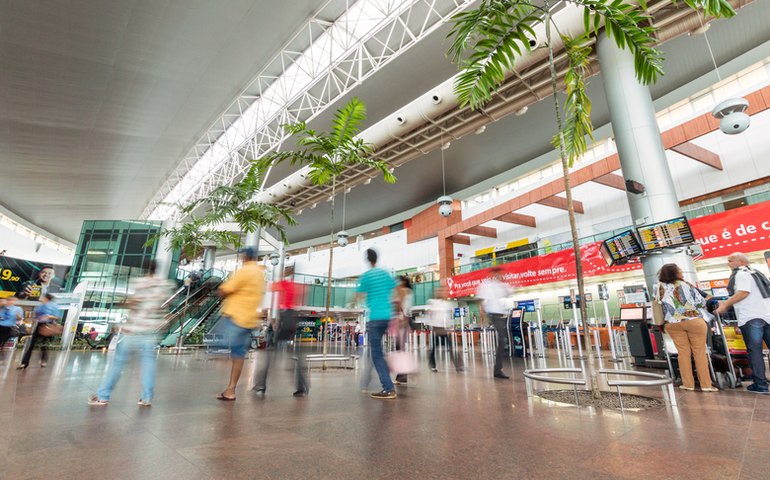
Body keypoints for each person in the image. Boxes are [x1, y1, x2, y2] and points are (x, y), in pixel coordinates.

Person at [88, 261, 174, 406]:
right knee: (148, 364)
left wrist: (123, 305)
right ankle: (146, 397)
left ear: (144, 270)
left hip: (134, 330)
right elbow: (164, 307)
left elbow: (134, 304)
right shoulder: (164, 285)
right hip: (151, 330)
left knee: (118, 363)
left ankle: (103, 396)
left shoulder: (140, 283)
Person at [654, 263, 716, 392]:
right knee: (699, 352)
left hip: (673, 323)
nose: (681, 272)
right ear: (675, 273)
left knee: (683, 353)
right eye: (680, 270)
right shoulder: (686, 285)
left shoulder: (658, 287)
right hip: (693, 321)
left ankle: (688, 384)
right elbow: (701, 302)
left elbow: (660, 306)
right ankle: (706, 385)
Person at [716, 253, 770, 394]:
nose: (728, 263)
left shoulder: (741, 274)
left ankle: (760, 385)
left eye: (730, 260)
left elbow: (743, 292)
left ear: (740, 261)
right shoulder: (757, 273)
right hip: (767, 315)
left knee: (755, 351)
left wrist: (725, 305)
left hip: (751, 317)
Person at [216, 247, 265, 401]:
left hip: (235, 316)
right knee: (238, 354)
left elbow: (226, 289)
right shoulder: (260, 274)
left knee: (216, 344)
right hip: (249, 320)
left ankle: (227, 385)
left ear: (245, 257)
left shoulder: (245, 271)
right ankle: (230, 390)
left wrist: (219, 291)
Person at [253, 277, 308, 397]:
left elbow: (270, 287)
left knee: (272, 354)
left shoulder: (284, 283)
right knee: (294, 355)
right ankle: (302, 385)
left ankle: (261, 384)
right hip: (292, 317)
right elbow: (303, 292)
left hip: (285, 318)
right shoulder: (293, 285)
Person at [356, 248, 397, 399]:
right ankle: (387, 379)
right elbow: (394, 292)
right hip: (388, 317)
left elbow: (358, 296)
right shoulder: (385, 273)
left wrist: (353, 302)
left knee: (377, 354)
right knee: (380, 353)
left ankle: (388, 388)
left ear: (367, 259)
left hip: (375, 318)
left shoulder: (366, 276)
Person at [476, 266, 513, 379]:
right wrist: (482, 317)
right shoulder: (486, 285)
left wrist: (506, 282)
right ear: (492, 274)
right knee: (503, 338)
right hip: (493, 314)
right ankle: (497, 369)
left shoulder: (502, 285)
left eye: (501, 274)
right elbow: (481, 300)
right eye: (498, 273)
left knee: (503, 339)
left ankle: (498, 369)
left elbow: (509, 293)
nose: (500, 276)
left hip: (502, 315)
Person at [426, 286, 464, 373]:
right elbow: (429, 314)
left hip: (444, 328)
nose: (442, 293)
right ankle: (432, 365)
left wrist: (451, 327)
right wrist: (429, 323)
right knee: (434, 348)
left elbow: (449, 316)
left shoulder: (447, 304)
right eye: (440, 291)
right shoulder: (432, 302)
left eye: (444, 291)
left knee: (450, 347)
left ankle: (459, 365)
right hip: (436, 328)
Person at [18, 293, 61, 369]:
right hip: (39, 325)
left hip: (48, 326)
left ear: (46, 298)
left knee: (44, 345)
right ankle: (24, 363)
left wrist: (48, 316)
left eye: (42, 297)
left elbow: (57, 317)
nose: (41, 299)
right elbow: (36, 316)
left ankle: (43, 360)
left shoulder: (54, 306)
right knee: (32, 344)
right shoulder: (40, 306)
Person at [393, 275, 414, 385]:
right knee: (400, 348)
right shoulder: (409, 291)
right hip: (404, 321)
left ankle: (404, 373)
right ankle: (403, 375)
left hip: (402, 321)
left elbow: (400, 306)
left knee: (399, 348)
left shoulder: (403, 291)